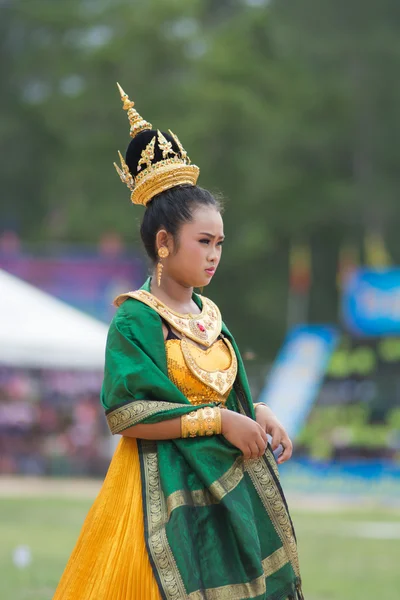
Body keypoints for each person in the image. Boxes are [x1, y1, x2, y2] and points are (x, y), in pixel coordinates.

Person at [53, 84, 304, 600]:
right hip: (156, 491)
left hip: (220, 491)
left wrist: (254, 410)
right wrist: (222, 420)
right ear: (164, 243)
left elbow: (216, 395)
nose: (214, 255)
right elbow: (126, 412)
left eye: (219, 244)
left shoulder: (210, 313)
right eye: (203, 242)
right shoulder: (137, 319)